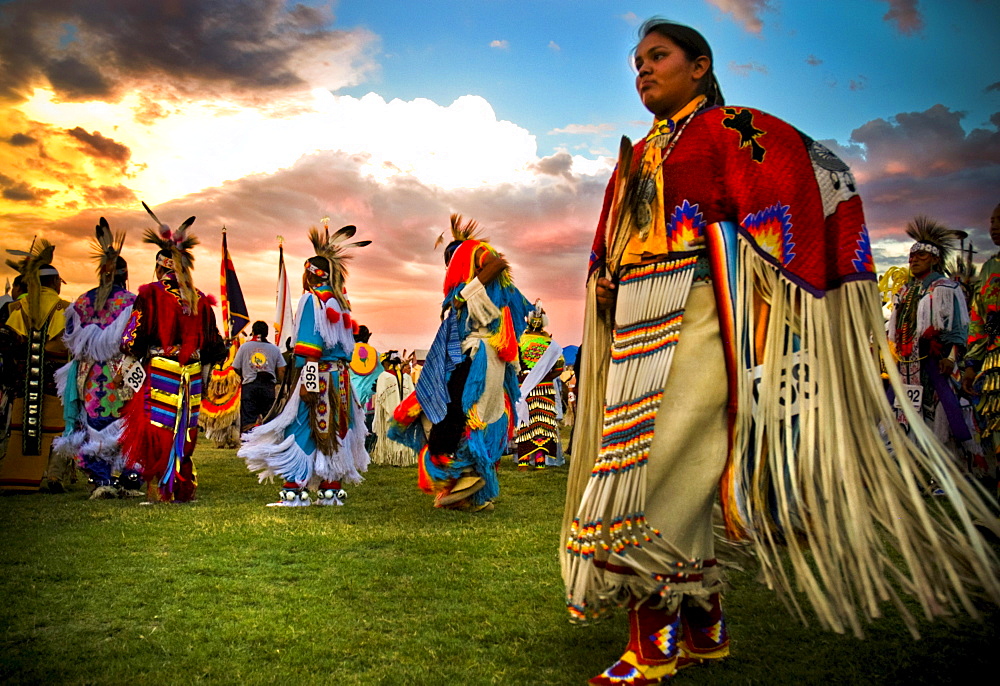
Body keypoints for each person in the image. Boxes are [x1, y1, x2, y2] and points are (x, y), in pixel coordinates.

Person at [562, 19, 1000, 686]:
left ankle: (652, 645)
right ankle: (704, 626)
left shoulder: (726, 131)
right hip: (636, 323)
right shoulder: (642, 150)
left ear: (700, 66)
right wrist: (606, 283)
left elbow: (816, 175)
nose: (643, 71)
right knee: (669, 465)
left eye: (659, 57)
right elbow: (613, 245)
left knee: (657, 471)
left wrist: (786, 294)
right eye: (638, 62)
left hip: (701, 316)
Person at [389, 214, 531, 512]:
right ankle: (468, 495)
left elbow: (498, 262)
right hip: (489, 357)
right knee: (469, 416)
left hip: (480, 356)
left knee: (457, 413)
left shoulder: (471, 255)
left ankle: (460, 480)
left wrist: (464, 295)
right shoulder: (488, 289)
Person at [239, 224, 370, 507]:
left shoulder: (312, 300)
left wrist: (308, 385)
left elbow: (311, 348)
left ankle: (294, 489)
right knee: (335, 429)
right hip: (341, 380)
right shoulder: (340, 302)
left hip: (319, 376)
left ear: (310, 274)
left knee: (302, 427)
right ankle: (330, 488)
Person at [119, 203, 225, 503]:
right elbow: (215, 345)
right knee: (185, 430)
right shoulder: (199, 299)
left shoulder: (150, 294)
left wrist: (131, 357)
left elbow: (132, 338)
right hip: (190, 375)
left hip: (161, 371)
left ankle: (156, 490)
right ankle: (181, 486)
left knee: (157, 428)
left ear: (160, 266)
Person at [54, 219, 142, 498]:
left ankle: (101, 480)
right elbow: (136, 340)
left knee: (92, 425)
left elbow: (69, 338)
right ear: (124, 275)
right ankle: (129, 478)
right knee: (126, 424)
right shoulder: (131, 301)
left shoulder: (79, 303)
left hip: (88, 376)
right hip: (121, 374)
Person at [886, 217, 972, 472]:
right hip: (907, 365)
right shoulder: (905, 291)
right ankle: (912, 467)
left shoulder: (945, 288)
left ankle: (945, 471)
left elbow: (959, 327)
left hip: (937, 363)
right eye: (912, 256)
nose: (914, 260)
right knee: (905, 411)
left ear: (935, 259)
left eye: (921, 256)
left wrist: (951, 358)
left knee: (942, 411)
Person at [0, 242, 70, 492]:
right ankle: (54, 475)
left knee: (22, 425)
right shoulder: (64, 308)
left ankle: (18, 474)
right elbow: (66, 345)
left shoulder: (17, 307)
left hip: (23, 378)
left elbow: (9, 338)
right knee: (60, 427)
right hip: (56, 377)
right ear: (54, 283)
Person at [962, 201, 1000, 493]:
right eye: (991, 220)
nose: (994, 226)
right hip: (994, 361)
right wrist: (972, 364)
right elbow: (978, 320)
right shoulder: (988, 269)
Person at [514, 300, 565, 469]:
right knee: (543, 423)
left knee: (525, 422)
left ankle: (523, 460)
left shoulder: (521, 340)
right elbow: (559, 367)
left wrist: (523, 376)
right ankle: (540, 460)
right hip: (545, 388)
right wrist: (545, 377)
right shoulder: (550, 344)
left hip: (525, 386)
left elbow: (514, 364)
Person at [233, 321, 285, 433]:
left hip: (249, 387)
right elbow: (282, 369)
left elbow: (236, 367)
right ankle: (267, 444)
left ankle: (248, 446)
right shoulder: (274, 349)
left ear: (253, 332)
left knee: (248, 421)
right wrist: (279, 384)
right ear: (266, 333)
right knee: (269, 420)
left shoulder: (244, 347)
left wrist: (244, 375)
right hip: (268, 387)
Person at [371, 351, 416, 466]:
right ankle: (403, 458)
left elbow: (380, 399)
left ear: (386, 363)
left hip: (389, 414)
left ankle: (390, 457)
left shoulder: (384, 377)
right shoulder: (406, 377)